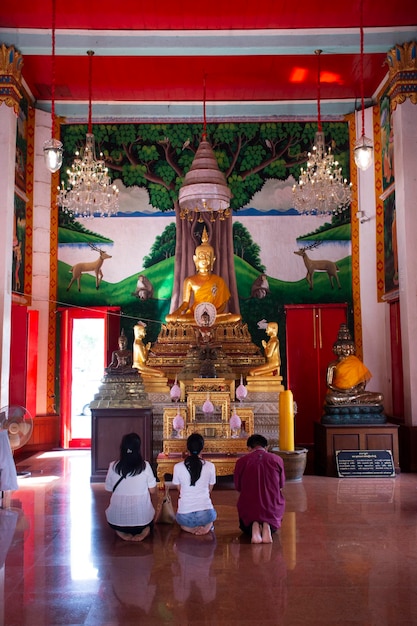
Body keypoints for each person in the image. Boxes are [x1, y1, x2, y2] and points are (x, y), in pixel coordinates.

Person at [166, 226, 241, 324]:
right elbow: (185, 303)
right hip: (194, 315)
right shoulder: (189, 280)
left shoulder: (218, 280)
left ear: (213, 260)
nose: (204, 259)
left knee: (236, 317)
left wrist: (213, 315)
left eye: (207, 256)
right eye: (201, 256)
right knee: (170, 318)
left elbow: (223, 304)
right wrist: (176, 312)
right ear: (195, 259)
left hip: (214, 316)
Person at [105, 432, 157, 541]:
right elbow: (153, 491)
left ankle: (121, 532)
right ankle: (144, 532)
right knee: (149, 521)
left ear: (122, 448)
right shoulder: (145, 466)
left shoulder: (113, 466)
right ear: (138, 448)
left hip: (117, 521)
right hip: (142, 520)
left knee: (118, 524)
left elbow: (109, 489)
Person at [234, 434, 286, 544]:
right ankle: (267, 525)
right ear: (266, 447)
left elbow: (238, 487)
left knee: (250, 510)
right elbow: (281, 484)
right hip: (272, 513)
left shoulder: (241, 462)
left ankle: (255, 526)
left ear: (249, 448)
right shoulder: (277, 460)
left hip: (248, 515)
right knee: (270, 508)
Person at [325, 324, 383, 405]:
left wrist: (357, 390)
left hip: (355, 394)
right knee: (330, 398)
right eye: (343, 348)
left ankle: (352, 400)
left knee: (379, 396)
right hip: (340, 394)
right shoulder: (333, 365)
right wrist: (344, 391)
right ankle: (352, 401)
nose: (347, 351)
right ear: (337, 349)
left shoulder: (356, 363)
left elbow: (362, 383)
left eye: (349, 348)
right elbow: (329, 384)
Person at [172, 433, 217, 535]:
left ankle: (189, 529)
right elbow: (209, 490)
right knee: (212, 515)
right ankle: (207, 527)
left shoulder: (177, 467)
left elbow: (180, 489)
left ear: (187, 449)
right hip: (206, 515)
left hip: (184, 516)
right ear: (202, 449)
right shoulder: (210, 466)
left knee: (180, 522)